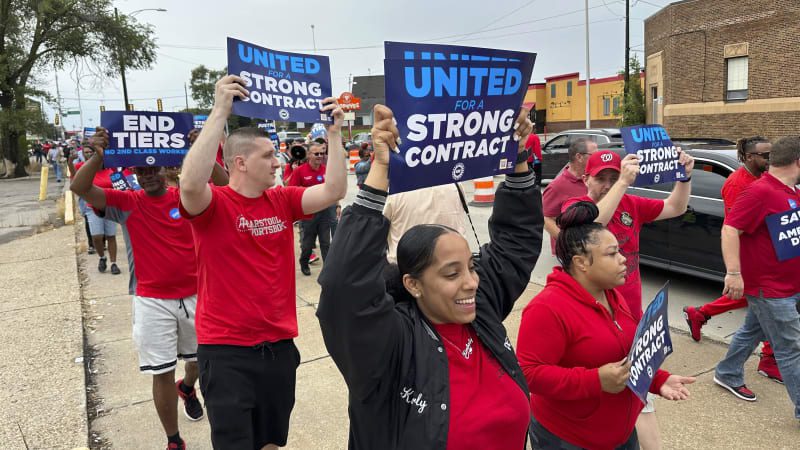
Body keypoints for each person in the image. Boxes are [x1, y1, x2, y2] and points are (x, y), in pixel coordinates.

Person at [317, 104, 542, 449]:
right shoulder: (389, 345)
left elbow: (516, 241)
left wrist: (517, 154)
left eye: (471, 267)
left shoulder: (480, 307)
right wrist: (380, 169)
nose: (471, 282)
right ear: (413, 284)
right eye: (452, 274)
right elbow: (343, 288)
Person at [179, 75, 346, 450]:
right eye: (268, 156)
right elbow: (190, 184)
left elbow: (335, 190)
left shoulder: (282, 200)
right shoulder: (214, 204)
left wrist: (334, 133)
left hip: (279, 348)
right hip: (226, 351)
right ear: (239, 162)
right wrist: (220, 111)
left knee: (270, 442)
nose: (277, 162)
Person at [71, 127, 215, 450]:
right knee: (162, 371)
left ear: (166, 168)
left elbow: (225, 186)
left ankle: (187, 388)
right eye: (141, 170)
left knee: (199, 361)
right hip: (151, 299)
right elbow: (79, 187)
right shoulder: (127, 202)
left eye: (153, 168)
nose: (148, 175)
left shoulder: (186, 196)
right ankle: (174, 440)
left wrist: (203, 146)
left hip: (195, 294)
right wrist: (97, 157)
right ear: (134, 172)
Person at [517, 201, 695, 450]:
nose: (623, 259)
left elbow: (625, 354)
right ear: (581, 262)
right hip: (570, 439)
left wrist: (657, 379)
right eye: (612, 254)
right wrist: (595, 381)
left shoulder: (611, 294)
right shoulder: (547, 308)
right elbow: (528, 373)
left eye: (619, 251)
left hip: (622, 433)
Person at [562, 149, 694, 450]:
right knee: (604, 390)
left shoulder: (631, 204)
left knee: (639, 390)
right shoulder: (576, 207)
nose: (608, 184)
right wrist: (622, 182)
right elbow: (591, 227)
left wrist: (684, 177)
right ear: (586, 179)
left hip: (630, 318)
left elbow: (675, 207)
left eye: (614, 177)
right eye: (601, 178)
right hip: (591, 320)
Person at [682, 136, 783, 383]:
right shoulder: (737, 183)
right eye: (765, 155)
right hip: (749, 254)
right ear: (749, 157)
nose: (771, 159)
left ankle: (700, 313)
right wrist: (735, 269)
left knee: (759, 301)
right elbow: (736, 227)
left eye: (772, 154)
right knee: (767, 302)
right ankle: (767, 359)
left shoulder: (764, 177)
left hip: (769, 252)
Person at [714, 136, 800, 421]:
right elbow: (730, 229)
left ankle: (727, 372)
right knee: (791, 348)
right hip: (771, 289)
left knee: (752, 330)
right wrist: (734, 273)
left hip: (789, 285)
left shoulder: (789, 190)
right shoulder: (759, 192)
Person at [383, 183, 468, 264]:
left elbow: (379, 229)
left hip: (408, 265)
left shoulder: (394, 190)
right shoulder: (454, 184)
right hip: (453, 263)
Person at [288, 141, 336, 276]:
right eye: (316, 154)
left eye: (322, 153)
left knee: (326, 242)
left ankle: (328, 269)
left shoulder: (326, 170)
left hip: (325, 211)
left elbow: (333, 189)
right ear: (309, 155)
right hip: (308, 214)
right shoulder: (299, 171)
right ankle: (304, 262)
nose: (320, 156)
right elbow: (291, 191)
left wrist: (337, 205)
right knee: (308, 243)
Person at [541, 138, 598, 253]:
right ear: (579, 157)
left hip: (596, 246)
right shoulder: (557, 186)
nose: (597, 159)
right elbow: (546, 218)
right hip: (574, 253)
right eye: (594, 155)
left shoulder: (595, 179)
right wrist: (569, 243)